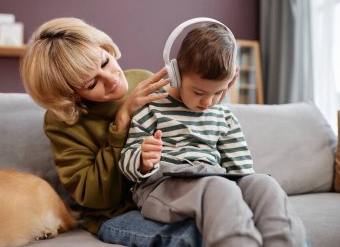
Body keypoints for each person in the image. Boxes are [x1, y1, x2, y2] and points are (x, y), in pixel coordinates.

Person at [119, 21, 307, 247]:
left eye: (218, 92)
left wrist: (248, 193)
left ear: (231, 81)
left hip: (214, 180)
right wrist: (142, 159)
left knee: (264, 185)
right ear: (177, 74)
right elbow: (127, 163)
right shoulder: (152, 106)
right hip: (162, 185)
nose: (208, 102)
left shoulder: (223, 117)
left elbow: (242, 172)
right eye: (198, 92)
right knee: (218, 188)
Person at [20, 17, 202, 246]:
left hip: (166, 197)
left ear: (106, 49)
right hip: (115, 215)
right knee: (194, 237)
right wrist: (121, 122)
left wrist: (216, 88)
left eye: (104, 62)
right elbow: (94, 197)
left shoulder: (143, 80)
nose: (112, 79)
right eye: (91, 84)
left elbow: (193, 128)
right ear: (73, 96)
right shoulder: (62, 123)